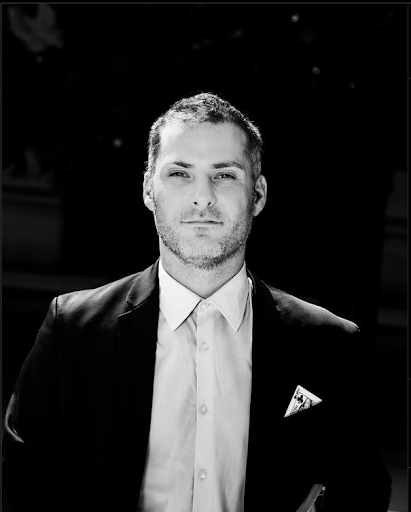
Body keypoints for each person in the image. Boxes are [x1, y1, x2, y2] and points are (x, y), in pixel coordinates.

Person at [3, 93, 392, 512]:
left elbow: (362, 490)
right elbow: (21, 487)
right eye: (179, 173)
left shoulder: (328, 342)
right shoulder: (72, 329)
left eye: (224, 175)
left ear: (258, 194)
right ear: (149, 189)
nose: (202, 197)